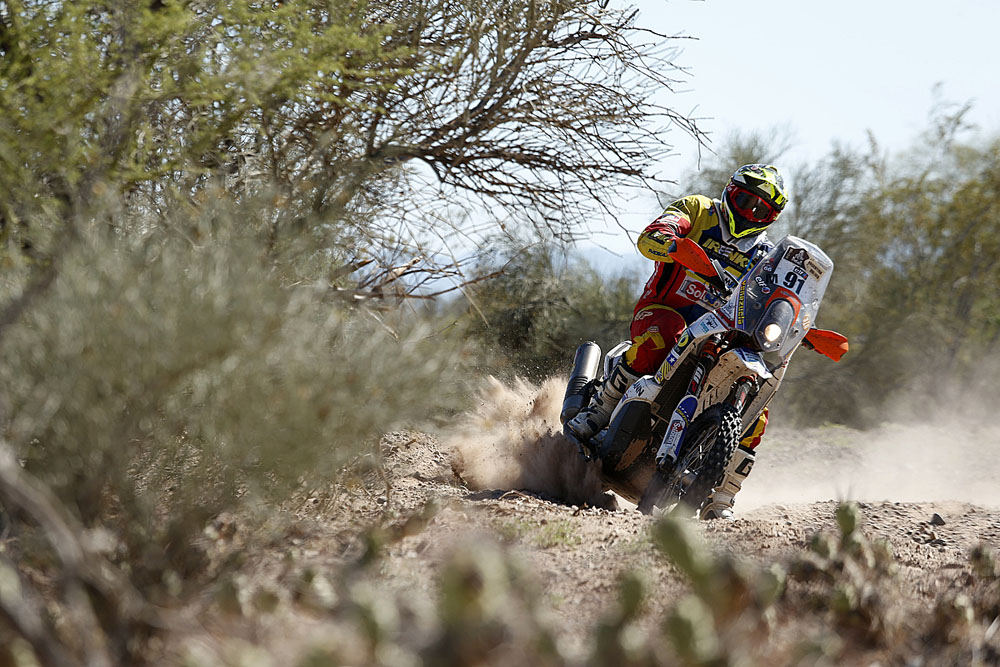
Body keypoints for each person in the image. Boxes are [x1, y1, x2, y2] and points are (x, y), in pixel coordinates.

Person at [564, 163, 790, 520]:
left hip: (718, 332)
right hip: (664, 309)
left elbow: (781, 297)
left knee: (756, 402)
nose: (749, 213)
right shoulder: (699, 210)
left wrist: (797, 322)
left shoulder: (766, 257)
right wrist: (666, 237)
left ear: (771, 216)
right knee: (663, 332)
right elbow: (655, 234)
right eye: (745, 200)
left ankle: (723, 495)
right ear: (730, 191)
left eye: (760, 209)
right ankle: (602, 409)